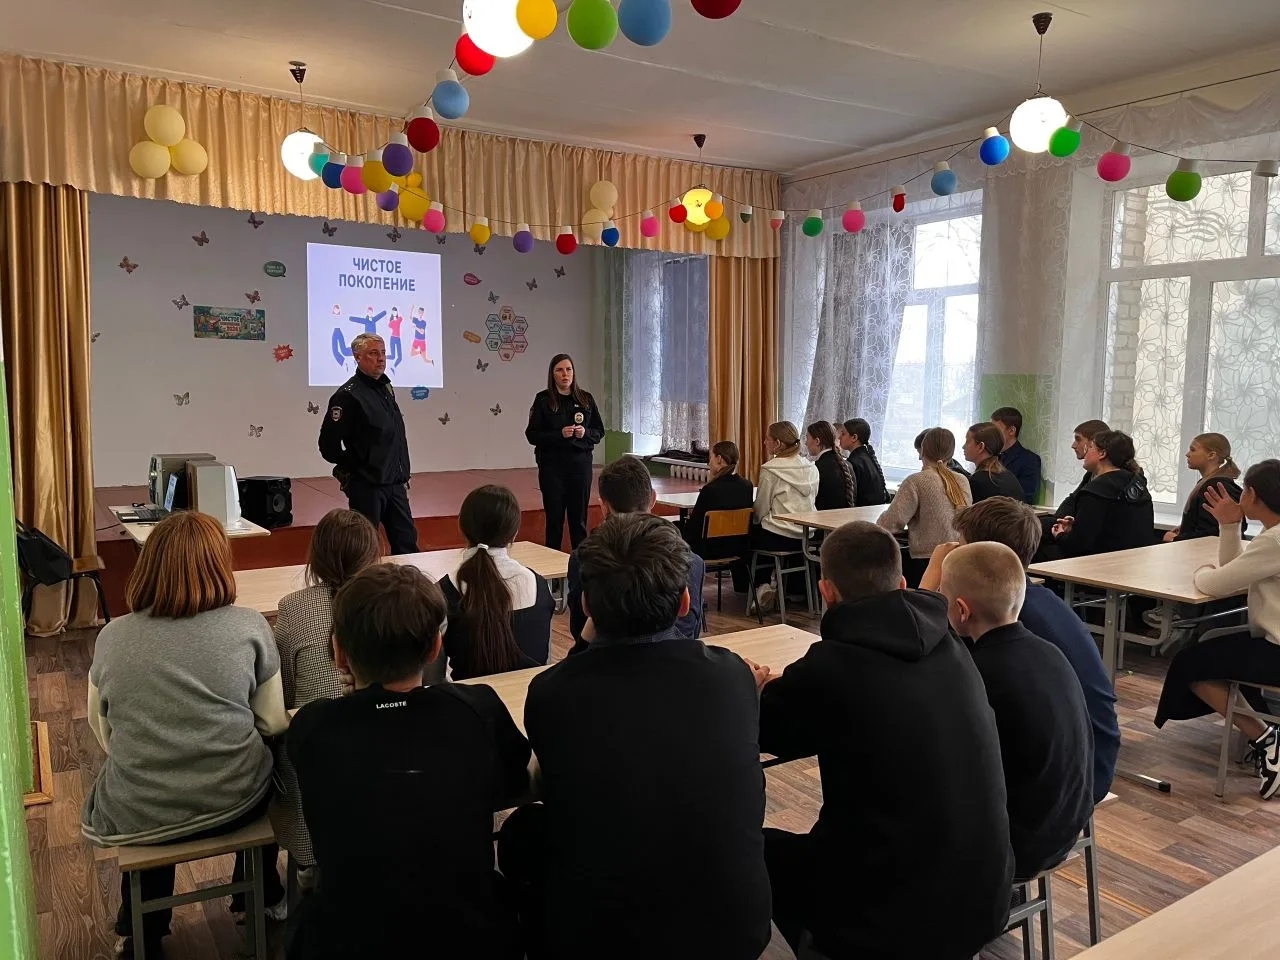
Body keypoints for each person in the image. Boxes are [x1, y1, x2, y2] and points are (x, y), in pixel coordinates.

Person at [498, 513, 772, 959]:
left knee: (522, 832)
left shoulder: (552, 693)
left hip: (603, 942)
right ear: (685, 602)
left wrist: (586, 639)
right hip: (736, 933)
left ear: (586, 605)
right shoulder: (732, 675)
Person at [758, 522, 1014, 958]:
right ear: (901, 584)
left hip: (891, 914)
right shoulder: (951, 646)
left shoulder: (833, 665)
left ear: (826, 592)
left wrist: (753, 688)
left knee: (746, 849)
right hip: (985, 896)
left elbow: (765, 729)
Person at [287, 564, 530, 959]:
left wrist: (357, 698)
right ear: (435, 649)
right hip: (472, 939)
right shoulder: (478, 708)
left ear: (338, 652)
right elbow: (516, 778)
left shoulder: (312, 726)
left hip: (350, 942)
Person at [82, 512, 288, 957]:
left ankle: (142, 929)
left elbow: (103, 729)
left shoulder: (112, 637)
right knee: (270, 763)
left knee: (146, 787)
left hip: (142, 810)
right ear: (220, 564)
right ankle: (262, 892)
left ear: (148, 566)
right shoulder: (250, 625)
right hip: (236, 802)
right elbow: (273, 723)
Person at [920, 498, 1120, 804]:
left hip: (1066, 783)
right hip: (1092, 759)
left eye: (960, 546)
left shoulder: (995, 619)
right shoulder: (1042, 600)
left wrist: (931, 582)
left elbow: (916, 662)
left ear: (981, 556)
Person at [939, 542, 1095, 879]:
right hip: (1067, 822)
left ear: (961, 610)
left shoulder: (974, 675)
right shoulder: (1050, 652)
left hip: (1018, 845)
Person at [1155, 461, 1280, 799]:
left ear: (1254, 495)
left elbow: (1215, 583)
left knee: (1190, 663)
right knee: (1210, 645)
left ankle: (1267, 739)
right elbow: (1234, 570)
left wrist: (1202, 572)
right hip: (1270, 642)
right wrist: (1229, 525)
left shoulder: (1274, 541)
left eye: (1245, 492)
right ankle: (1267, 735)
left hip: (1276, 651)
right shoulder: (1272, 537)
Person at [271, 508, 382, 872]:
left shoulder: (294, 608)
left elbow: (284, 696)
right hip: (381, 774)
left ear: (316, 556)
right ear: (373, 554)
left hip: (314, 780)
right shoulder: (390, 603)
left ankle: (274, 886)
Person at [567, 455, 703, 650]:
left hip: (603, 663)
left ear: (604, 507)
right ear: (653, 498)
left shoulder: (583, 559)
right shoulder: (692, 562)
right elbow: (690, 632)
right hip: (678, 663)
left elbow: (580, 631)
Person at [318, 332, 420, 555]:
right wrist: (359, 466)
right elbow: (328, 446)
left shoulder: (385, 388)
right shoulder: (348, 396)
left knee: (407, 544)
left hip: (395, 483)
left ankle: (407, 579)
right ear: (357, 357)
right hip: (367, 487)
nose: (381, 358)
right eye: (373, 353)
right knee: (364, 547)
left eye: (383, 353)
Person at [439, 485, 555, 679]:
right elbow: (544, 662)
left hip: (469, 698)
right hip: (530, 696)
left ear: (461, 527)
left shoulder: (444, 592)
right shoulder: (539, 586)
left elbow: (433, 679)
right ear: (515, 532)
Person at [525, 353, 605, 550]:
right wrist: (559, 434)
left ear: (574, 373)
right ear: (552, 374)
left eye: (568, 369)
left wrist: (585, 433)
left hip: (580, 467)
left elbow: (599, 431)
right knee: (554, 521)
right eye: (559, 370)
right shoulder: (543, 400)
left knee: (579, 521)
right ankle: (551, 563)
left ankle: (579, 563)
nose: (565, 374)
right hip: (552, 468)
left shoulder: (585, 399)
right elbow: (532, 434)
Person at [1038, 429, 1153, 560]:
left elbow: (1077, 546)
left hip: (1101, 563)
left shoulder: (1096, 491)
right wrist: (1074, 528)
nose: (1085, 452)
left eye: (1090, 447)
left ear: (1102, 453)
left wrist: (1060, 535)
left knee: (1036, 548)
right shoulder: (1136, 484)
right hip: (1134, 562)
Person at [878, 427, 972, 587]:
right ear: (951, 454)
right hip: (959, 558)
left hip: (925, 562)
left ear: (922, 451)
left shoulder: (916, 481)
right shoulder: (962, 480)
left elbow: (889, 523)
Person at [752, 421, 820, 611]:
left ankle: (762, 586)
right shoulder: (811, 468)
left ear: (778, 444)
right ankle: (795, 590)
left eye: (767, 439)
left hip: (778, 535)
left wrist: (755, 520)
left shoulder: (771, 469)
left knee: (749, 538)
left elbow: (762, 506)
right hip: (806, 535)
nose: (765, 442)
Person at [682, 440, 754, 578]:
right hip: (738, 548)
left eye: (711, 457)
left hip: (709, 550)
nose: (709, 463)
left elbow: (694, 528)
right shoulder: (747, 486)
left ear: (719, 458)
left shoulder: (710, 489)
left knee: (673, 531)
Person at [1166, 433, 1246, 542]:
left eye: (1193, 450)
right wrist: (1186, 527)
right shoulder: (1207, 482)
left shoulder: (1214, 487)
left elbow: (1213, 533)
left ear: (1211, 455)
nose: (1187, 454)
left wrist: (1176, 539)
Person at [1054, 419, 1110, 521]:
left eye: (1078, 439)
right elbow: (1072, 501)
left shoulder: (1110, 481)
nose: (1073, 445)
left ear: (1094, 444)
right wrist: (1056, 521)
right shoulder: (1091, 474)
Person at [963, 422, 1026, 503]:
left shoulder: (978, 481)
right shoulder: (1010, 476)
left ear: (981, 446)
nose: (963, 447)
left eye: (967, 441)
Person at [991, 406, 1042, 504]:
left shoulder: (1029, 460)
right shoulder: (991, 456)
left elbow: (1025, 497)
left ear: (1011, 431)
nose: (992, 434)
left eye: (996, 430)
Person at [806, 420, 856, 510]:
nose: (806, 443)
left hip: (823, 518)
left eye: (807, 438)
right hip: (847, 517)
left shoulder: (816, 468)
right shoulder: (848, 465)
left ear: (817, 441)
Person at [838, 418, 889, 506]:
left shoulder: (854, 462)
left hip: (862, 511)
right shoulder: (867, 457)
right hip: (873, 510)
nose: (839, 437)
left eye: (843, 434)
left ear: (854, 437)